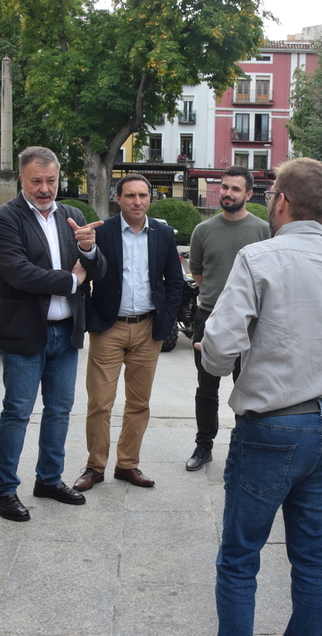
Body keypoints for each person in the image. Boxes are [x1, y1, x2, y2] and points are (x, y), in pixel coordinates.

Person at [201, 157, 322, 636]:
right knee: (308, 560)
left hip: (272, 425)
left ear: (280, 202)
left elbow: (217, 352)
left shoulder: (259, 259)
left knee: (239, 557)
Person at [0, 146, 107, 522]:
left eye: (51, 180)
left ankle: (49, 479)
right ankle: (4, 490)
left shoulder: (71, 216)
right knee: (18, 412)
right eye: (36, 181)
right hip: (25, 334)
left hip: (66, 333)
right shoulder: (5, 219)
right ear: (22, 179)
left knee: (59, 411)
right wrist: (73, 280)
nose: (44, 188)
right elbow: (19, 273)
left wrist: (88, 251)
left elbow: (99, 271)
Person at [72, 174, 184, 491]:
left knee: (139, 404)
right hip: (109, 328)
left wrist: (166, 319)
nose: (137, 201)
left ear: (150, 199)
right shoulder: (102, 232)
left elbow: (175, 281)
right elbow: (84, 276)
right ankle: (95, 467)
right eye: (130, 195)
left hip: (148, 329)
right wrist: (93, 317)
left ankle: (127, 465)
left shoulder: (162, 234)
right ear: (118, 199)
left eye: (143, 195)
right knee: (100, 403)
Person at [184, 165, 270, 472]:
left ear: (248, 194)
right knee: (206, 388)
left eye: (235, 189)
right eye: (224, 187)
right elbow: (198, 273)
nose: (228, 193)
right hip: (208, 318)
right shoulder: (203, 231)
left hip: (249, 323)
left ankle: (243, 448)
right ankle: (203, 446)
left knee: (245, 387)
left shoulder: (263, 230)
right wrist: (221, 304)